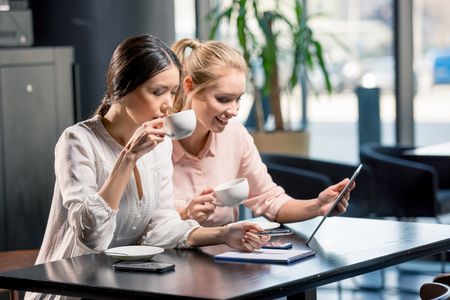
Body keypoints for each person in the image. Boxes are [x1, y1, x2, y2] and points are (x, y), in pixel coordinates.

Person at [27, 34, 269, 282]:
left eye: (173, 92)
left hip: (127, 283)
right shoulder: (77, 141)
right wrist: (128, 157)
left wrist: (225, 234)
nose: (168, 105)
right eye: (157, 92)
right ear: (121, 88)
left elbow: (164, 228)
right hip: (74, 287)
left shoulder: (160, 145)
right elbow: (93, 238)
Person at [170, 38, 355, 227]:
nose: (234, 111)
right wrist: (184, 217)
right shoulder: (155, 142)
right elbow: (140, 231)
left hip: (222, 255)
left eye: (238, 99)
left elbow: (270, 200)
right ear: (189, 87)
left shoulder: (236, 137)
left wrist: (317, 207)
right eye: (223, 99)